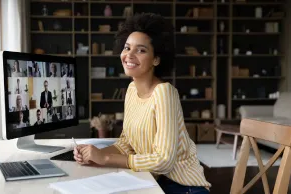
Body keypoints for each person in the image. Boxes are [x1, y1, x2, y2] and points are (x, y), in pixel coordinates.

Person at [73, 13, 211, 194]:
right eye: (127, 48)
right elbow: (126, 143)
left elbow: (163, 161)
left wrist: (105, 158)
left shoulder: (164, 93)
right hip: (153, 179)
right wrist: (92, 156)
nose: (129, 55)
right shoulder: (131, 90)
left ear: (156, 59)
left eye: (141, 50)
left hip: (183, 187)